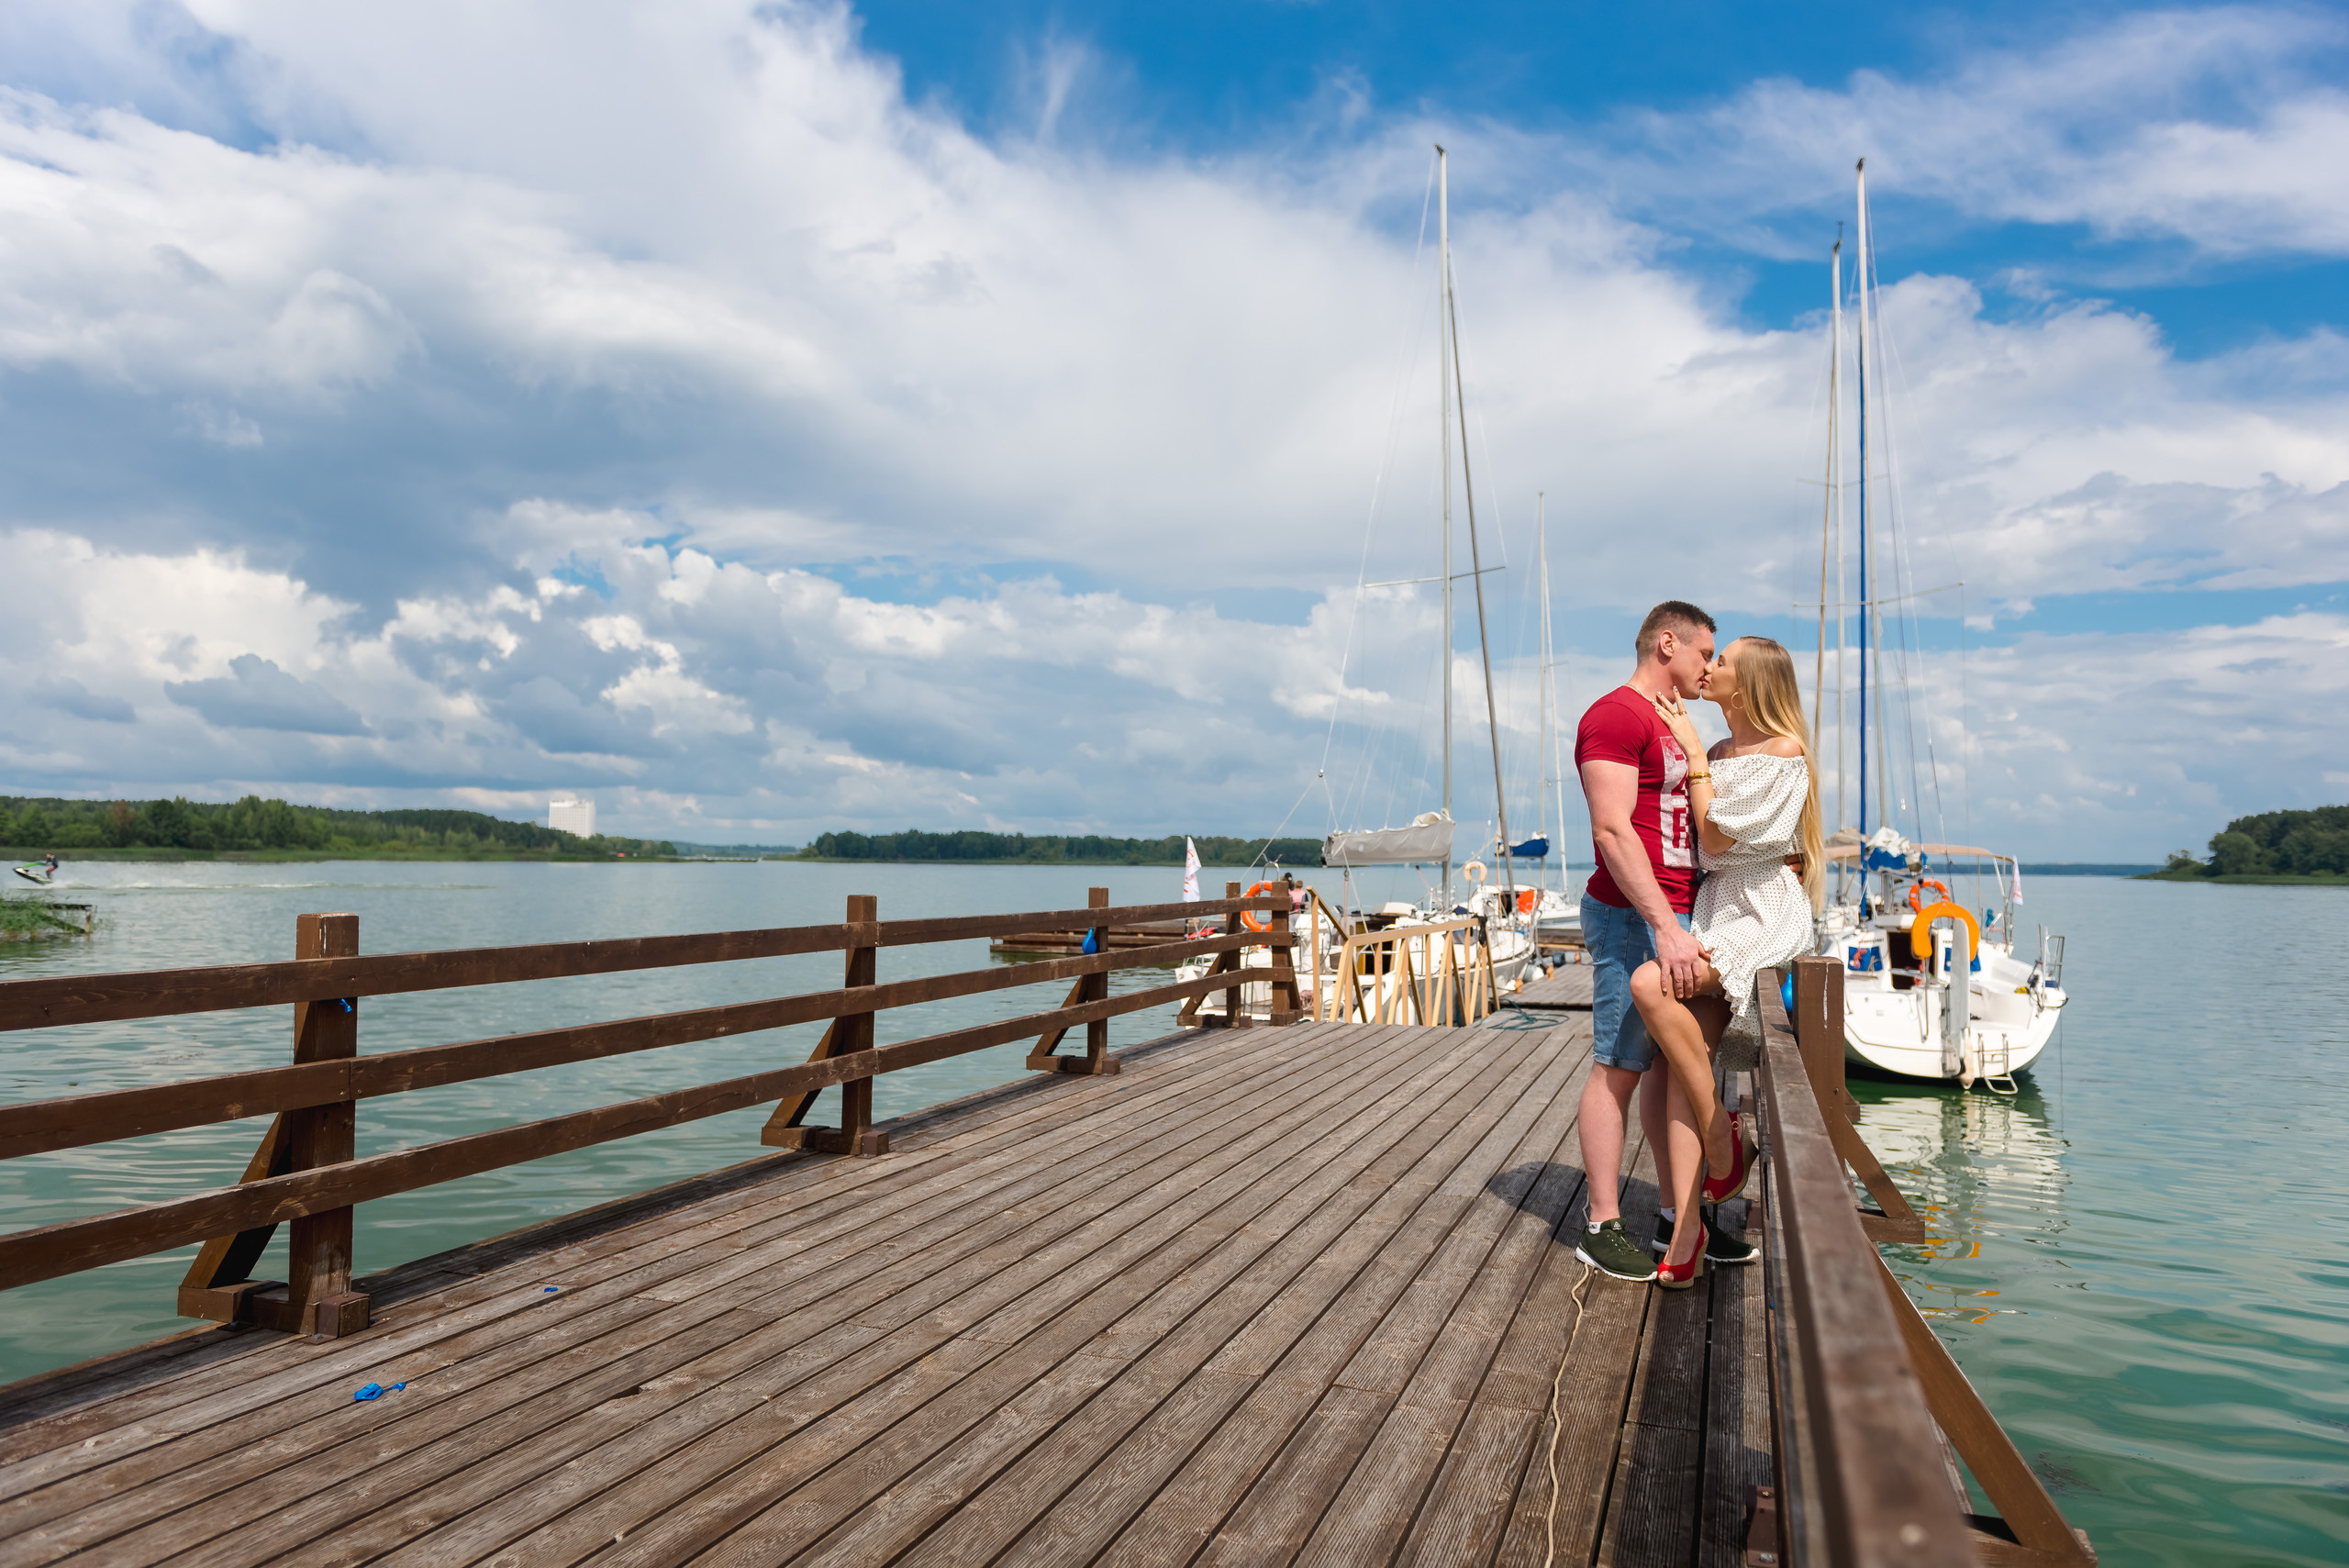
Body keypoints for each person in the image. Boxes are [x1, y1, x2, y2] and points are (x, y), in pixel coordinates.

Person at [1632, 634, 1824, 1287]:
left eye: (1722, 663)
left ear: (1747, 686)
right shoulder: (1716, 753)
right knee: (1685, 1064)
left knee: (1649, 984)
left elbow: (1714, 835)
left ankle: (1721, 1140)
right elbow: (1705, 849)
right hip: (1716, 909)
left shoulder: (1783, 751)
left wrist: (1690, 752)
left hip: (1763, 909)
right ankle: (1688, 1230)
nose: (1707, 669)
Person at [1570, 600, 1729, 1284]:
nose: (1709, 668)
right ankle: (1602, 1222)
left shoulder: (1672, 722)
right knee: (1621, 1064)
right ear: (1668, 642)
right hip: (1635, 916)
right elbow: (1611, 830)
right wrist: (1664, 924)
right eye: (1703, 654)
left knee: (1670, 1070)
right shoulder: (1615, 714)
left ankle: (1676, 1212)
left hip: (1679, 915)